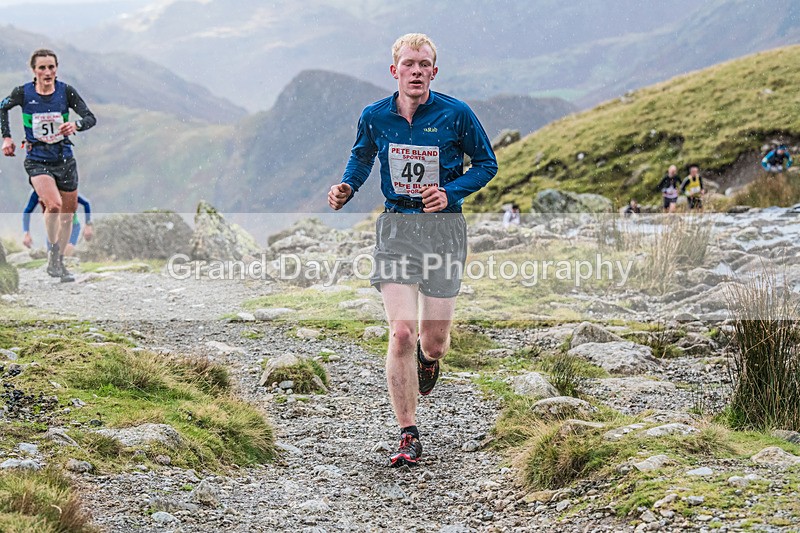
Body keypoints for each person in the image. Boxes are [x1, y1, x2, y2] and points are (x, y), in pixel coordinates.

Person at [328, 33, 497, 468]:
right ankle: (408, 433)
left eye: (425, 64)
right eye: (409, 64)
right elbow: (362, 157)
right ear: (395, 71)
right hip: (397, 228)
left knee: (434, 342)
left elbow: (486, 164)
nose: (417, 71)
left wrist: (451, 192)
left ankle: (427, 357)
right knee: (401, 331)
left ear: (434, 72)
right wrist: (348, 185)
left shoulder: (456, 114)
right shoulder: (374, 116)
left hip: (443, 231)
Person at [1, 49, 96, 282]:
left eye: (51, 67)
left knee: (68, 213)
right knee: (53, 205)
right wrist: (7, 137)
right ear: (34, 70)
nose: (47, 72)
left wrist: (76, 126)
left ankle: (57, 261)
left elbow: (90, 118)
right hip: (37, 160)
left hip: (64, 158)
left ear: (56, 68)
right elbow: (2, 107)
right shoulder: (23, 93)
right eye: (42, 67)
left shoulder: (66, 92)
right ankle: (53, 252)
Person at [23, 190, 93, 256]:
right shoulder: (39, 190)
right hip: (53, 229)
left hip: (71, 226)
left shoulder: (63, 186)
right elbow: (27, 211)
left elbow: (86, 203)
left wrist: (88, 225)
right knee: (52, 255)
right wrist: (26, 233)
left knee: (66, 252)